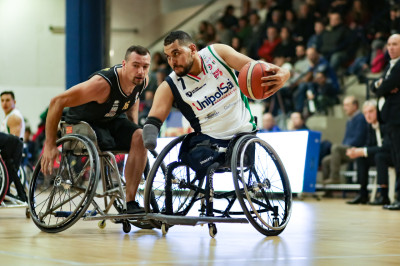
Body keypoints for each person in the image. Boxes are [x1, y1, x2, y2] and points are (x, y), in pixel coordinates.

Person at [142, 30, 289, 172]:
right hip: (210, 144)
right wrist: (149, 138)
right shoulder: (169, 86)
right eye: (168, 57)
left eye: (176, 53)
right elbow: (153, 121)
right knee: (188, 154)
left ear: (192, 49)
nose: (172, 62)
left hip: (242, 135)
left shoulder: (217, 53)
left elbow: (258, 69)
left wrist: (284, 73)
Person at [41, 45, 151, 214]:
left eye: (145, 66)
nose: (141, 71)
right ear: (124, 64)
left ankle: (130, 203)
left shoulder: (142, 80)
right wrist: (50, 145)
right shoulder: (102, 85)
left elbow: (133, 98)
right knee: (105, 142)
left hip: (111, 119)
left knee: (140, 137)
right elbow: (56, 102)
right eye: (136, 65)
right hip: (83, 121)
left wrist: (133, 128)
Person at [371, 34, 400, 210]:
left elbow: (383, 87)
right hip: (390, 120)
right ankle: (396, 197)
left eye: (395, 44)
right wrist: (383, 86)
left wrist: (383, 86)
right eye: (389, 44)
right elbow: (376, 86)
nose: (391, 47)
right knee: (396, 159)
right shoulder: (390, 65)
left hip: (398, 119)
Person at [346, 100, 393, 205]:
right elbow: (369, 145)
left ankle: (384, 196)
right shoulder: (370, 126)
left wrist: (363, 150)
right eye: (365, 113)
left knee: (379, 157)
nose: (368, 115)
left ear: (378, 111)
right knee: (361, 157)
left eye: (371, 111)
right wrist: (357, 151)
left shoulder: (386, 124)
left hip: (393, 156)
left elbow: (387, 147)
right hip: (380, 155)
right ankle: (362, 194)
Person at [321, 96, 368, 184]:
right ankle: (327, 189)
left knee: (336, 148)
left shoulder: (361, 118)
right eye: (344, 105)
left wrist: (345, 147)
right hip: (347, 149)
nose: (344, 108)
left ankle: (335, 178)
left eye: (347, 105)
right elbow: (346, 139)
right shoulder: (349, 120)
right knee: (326, 160)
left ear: (355, 106)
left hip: (356, 149)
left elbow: (359, 139)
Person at [0, 91, 25, 202]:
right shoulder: (8, 117)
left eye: (8, 100)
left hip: (14, 151)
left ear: (14, 102)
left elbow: (13, 142)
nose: (5, 103)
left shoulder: (13, 117)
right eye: (2, 100)